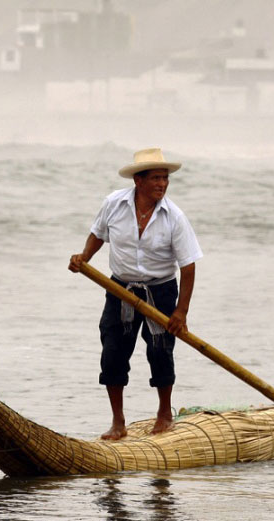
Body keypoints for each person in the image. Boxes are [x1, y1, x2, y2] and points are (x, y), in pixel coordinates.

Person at [68, 148, 202, 440]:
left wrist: (181, 312)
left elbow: (188, 267)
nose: (162, 185)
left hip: (161, 290)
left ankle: (164, 414)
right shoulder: (114, 204)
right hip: (120, 289)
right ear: (138, 181)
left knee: (160, 351)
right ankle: (118, 422)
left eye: (165, 179)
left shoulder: (174, 217)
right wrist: (84, 258)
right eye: (156, 178)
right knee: (113, 352)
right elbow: (98, 234)